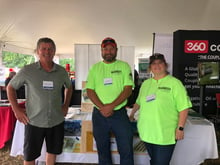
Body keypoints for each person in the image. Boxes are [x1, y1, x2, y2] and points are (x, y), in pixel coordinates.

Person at [7, 37, 73, 165]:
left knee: (52, 152)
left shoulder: (61, 71)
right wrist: (16, 110)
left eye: (50, 49)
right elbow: (10, 87)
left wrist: (65, 105)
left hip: (56, 120)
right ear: (38, 51)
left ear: (54, 51)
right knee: (30, 155)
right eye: (44, 49)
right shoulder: (28, 70)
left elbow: (69, 87)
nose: (47, 52)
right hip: (34, 121)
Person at [129, 53, 192, 165]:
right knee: (154, 161)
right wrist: (132, 114)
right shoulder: (146, 84)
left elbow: (184, 107)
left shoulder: (175, 83)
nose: (157, 65)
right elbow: (139, 102)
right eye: (153, 63)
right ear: (150, 67)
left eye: (160, 63)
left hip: (165, 133)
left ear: (165, 65)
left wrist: (180, 128)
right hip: (147, 132)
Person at [86, 37, 134, 165]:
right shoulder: (95, 68)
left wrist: (111, 106)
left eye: (111, 48)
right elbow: (90, 91)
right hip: (99, 115)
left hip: (119, 114)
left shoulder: (124, 66)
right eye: (105, 49)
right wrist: (102, 107)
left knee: (126, 149)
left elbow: (128, 89)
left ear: (116, 50)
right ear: (101, 51)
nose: (108, 51)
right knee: (102, 151)